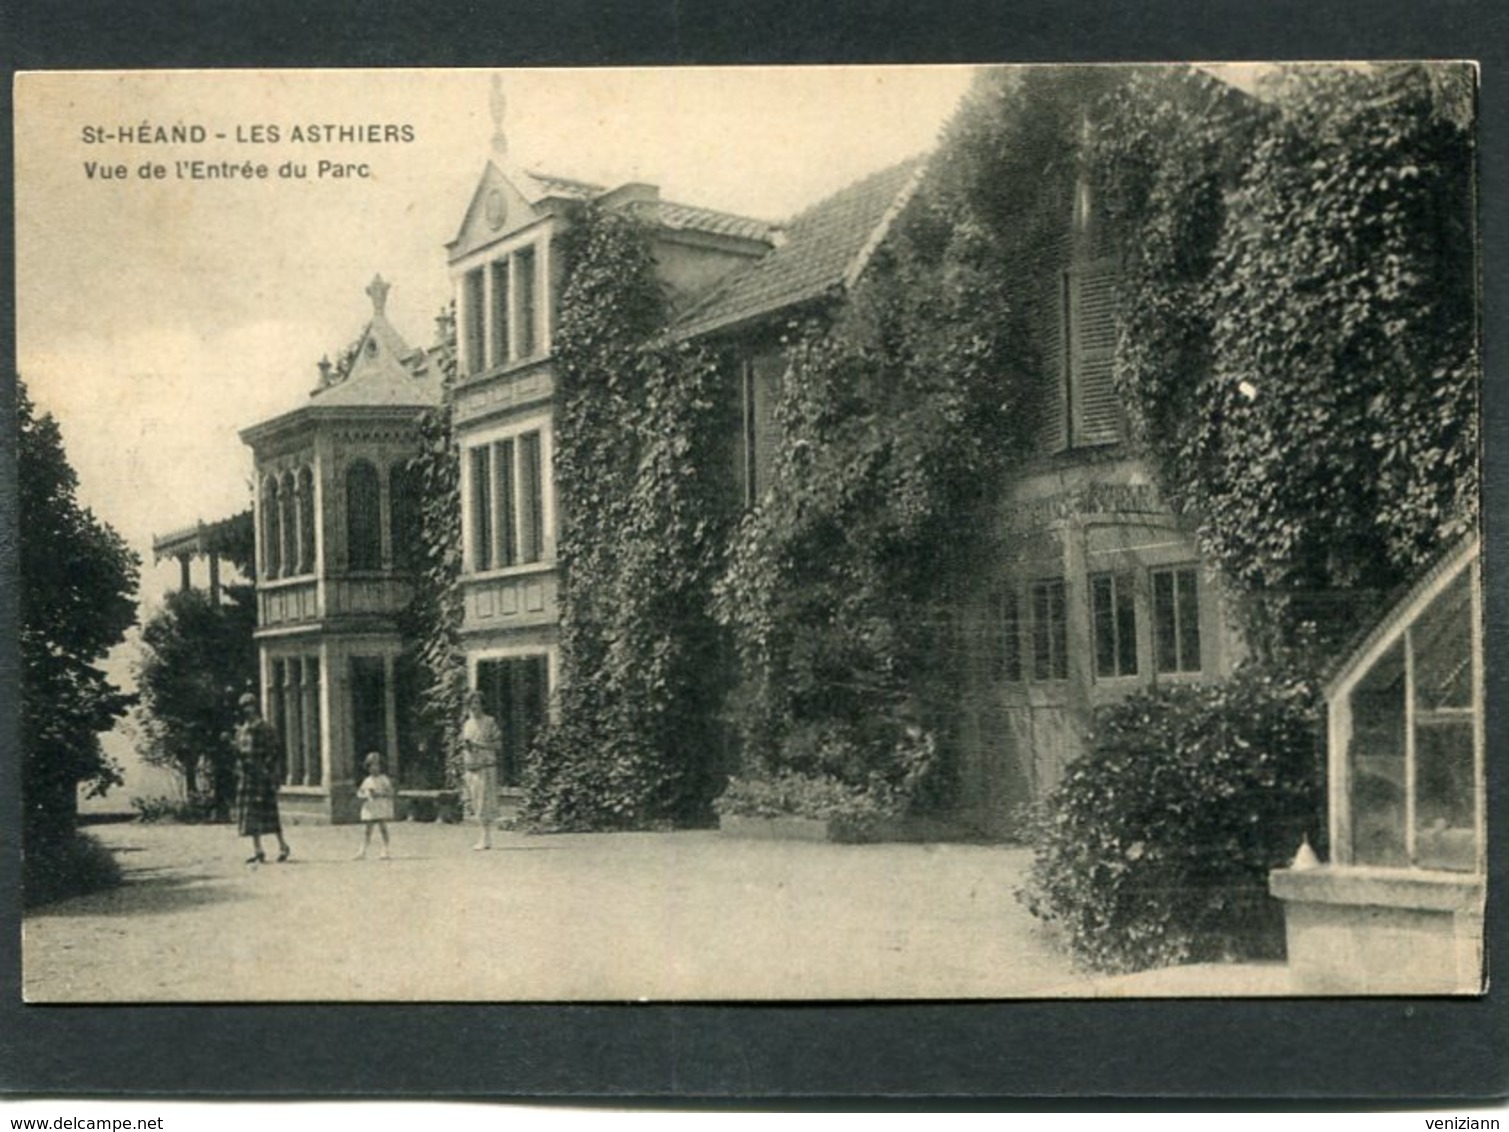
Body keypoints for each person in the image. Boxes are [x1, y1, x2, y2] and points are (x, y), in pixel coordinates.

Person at [233, 692, 290, 865]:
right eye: (244, 707)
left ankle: (283, 845)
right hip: (247, 776)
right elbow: (240, 753)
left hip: (262, 776)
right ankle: (258, 850)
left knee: (269, 814)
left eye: (250, 705)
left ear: (255, 707)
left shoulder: (265, 729)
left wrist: (267, 770)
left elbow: (274, 751)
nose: (247, 710)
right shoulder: (242, 730)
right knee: (251, 814)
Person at [459, 690, 500, 850]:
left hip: (485, 766)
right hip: (471, 767)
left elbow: (497, 745)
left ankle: (485, 837)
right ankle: (483, 836)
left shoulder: (489, 722)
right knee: (475, 803)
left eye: (477, 703)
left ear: (482, 705)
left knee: (484, 803)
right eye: (471, 703)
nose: (474, 706)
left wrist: (478, 745)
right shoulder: (467, 724)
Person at [353, 751, 395, 860]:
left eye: (377, 766)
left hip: (380, 805)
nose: (374, 768)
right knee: (367, 830)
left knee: (383, 828)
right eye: (371, 766)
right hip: (370, 807)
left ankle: (386, 850)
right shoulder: (367, 780)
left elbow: (390, 792)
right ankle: (363, 851)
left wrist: (379, 794)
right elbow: (360, 792)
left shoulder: (384, 779)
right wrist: (364, 795)